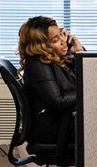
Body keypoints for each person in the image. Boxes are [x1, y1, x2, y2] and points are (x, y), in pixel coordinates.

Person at [17, 15, 85, 145]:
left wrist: (79, 52)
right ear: (41, 46)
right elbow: (57, 101)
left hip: (63, 122)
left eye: (61, 34)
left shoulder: (57, 59)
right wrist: (87, 93)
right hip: (53, 129)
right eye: (55, 40)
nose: (63, 41)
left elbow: (83, 78)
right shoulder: (37, 65)